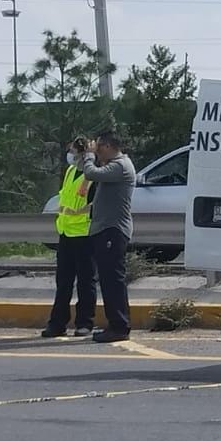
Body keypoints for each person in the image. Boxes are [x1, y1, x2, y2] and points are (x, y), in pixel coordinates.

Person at [81, 130, 136, 343]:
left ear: (106, 146)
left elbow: (90, 173)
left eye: (98, 148)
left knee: (113, 281)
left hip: (113, 230)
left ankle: (119, 326)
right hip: (106, 230)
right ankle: (118, 324)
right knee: (109, 279)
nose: (97, 152)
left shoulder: (120, 166)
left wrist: (87, 155)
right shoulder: (114, 166)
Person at [41, 138, 98, 338]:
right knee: (63, 282)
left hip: (84, 234)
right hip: (65, 233)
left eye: (73, 152)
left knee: (85, 282)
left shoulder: (92, 174)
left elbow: (96, 204)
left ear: (83, 154)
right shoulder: (71, 171)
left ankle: (85, 323)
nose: (70, 156)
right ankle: (57, 323)